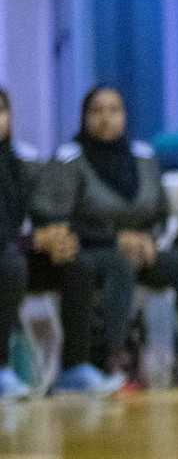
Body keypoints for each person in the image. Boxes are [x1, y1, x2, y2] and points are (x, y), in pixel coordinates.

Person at [34, 87, 178, 389]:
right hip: (89, 250)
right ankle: (114, 357)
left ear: (124, 115)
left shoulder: (142, 157)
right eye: (97, 110)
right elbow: (53, 219)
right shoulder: (69, 159)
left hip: (141, 248)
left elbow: (160, 213)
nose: (106, 118)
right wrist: (114, 239)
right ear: (84, 117)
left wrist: (149, 240)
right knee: (118, 264)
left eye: (114, 110)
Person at [0, 89, 103, 398]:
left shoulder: (20, 164)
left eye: (2, 111)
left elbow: (43, 210)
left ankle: (73, 369)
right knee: (10, 266)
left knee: (74, 261)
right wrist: (31, 240)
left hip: (13, 252)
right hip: (9, 259)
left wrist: (55, 237)